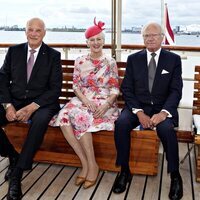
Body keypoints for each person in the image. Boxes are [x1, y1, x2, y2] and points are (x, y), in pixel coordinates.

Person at [112, 22, 183, 200]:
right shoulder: (134, 59)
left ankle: (175, 175)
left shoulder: (173, 59)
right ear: (142, 38)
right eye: (146, 36)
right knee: (121, 124)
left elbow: (176, 90)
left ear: (162, 37)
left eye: (154, 35)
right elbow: (127, 89)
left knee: (167, 130)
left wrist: (164, 113)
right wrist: (139, 112)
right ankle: (124, 171)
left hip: (162, 108)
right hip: (138, 106)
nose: (150, 38)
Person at [49, 18, 120, 189]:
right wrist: (85, 100)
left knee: (80, 116)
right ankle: (87, 163)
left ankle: (92, 165)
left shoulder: (110, 62)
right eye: (92, 40)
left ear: (104, 42)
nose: (95, 43)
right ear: (87, 42)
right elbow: (75, 85)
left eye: (99, 39)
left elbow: (115, 89)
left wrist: (105, 105)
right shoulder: (80, 60)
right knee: (64, 115)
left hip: (104, 102)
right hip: (84, 99)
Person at [0, 17, 62, 200]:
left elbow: (55, 89)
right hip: (15, 100)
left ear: (44, 33)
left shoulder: (53, 55)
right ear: (25, 31)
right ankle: (12, 155)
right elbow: (2, 78)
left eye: (38, 30)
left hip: (41, 103)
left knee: (40, 121)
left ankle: (17, 174)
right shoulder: (14, 51)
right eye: (30, 30)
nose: (34, 33)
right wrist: (7, 105)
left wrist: (32, 107)